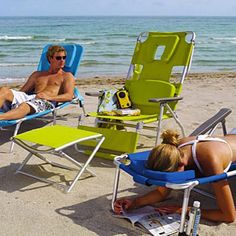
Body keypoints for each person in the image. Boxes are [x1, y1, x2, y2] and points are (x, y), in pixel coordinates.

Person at [114, 129, 236, 223]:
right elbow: (162, 193)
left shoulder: (210, 161)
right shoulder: (173, 149)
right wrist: (135, 202)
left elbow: (228, 216)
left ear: (181, 164)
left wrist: (184, 210)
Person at [0, 45, 75, 120]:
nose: (62, 60)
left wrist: (48, 97)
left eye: (64, 57)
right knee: (4, 90)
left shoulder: (67, 76)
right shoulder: (37, 75)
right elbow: (22, 92)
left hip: (47, 102)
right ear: (50, 58)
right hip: (31, 98)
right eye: (58, 58)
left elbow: (69, 96)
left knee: (24, 106)